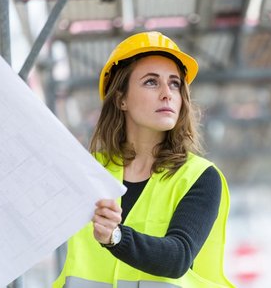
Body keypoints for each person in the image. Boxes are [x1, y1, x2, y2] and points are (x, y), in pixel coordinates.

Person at [53, 31, 234, 288]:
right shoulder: (88, 172)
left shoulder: (200, 177)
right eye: (151, 82)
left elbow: (178, 257)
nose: (167, 93)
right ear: (121, 98)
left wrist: (116, 237)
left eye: (174, 84)